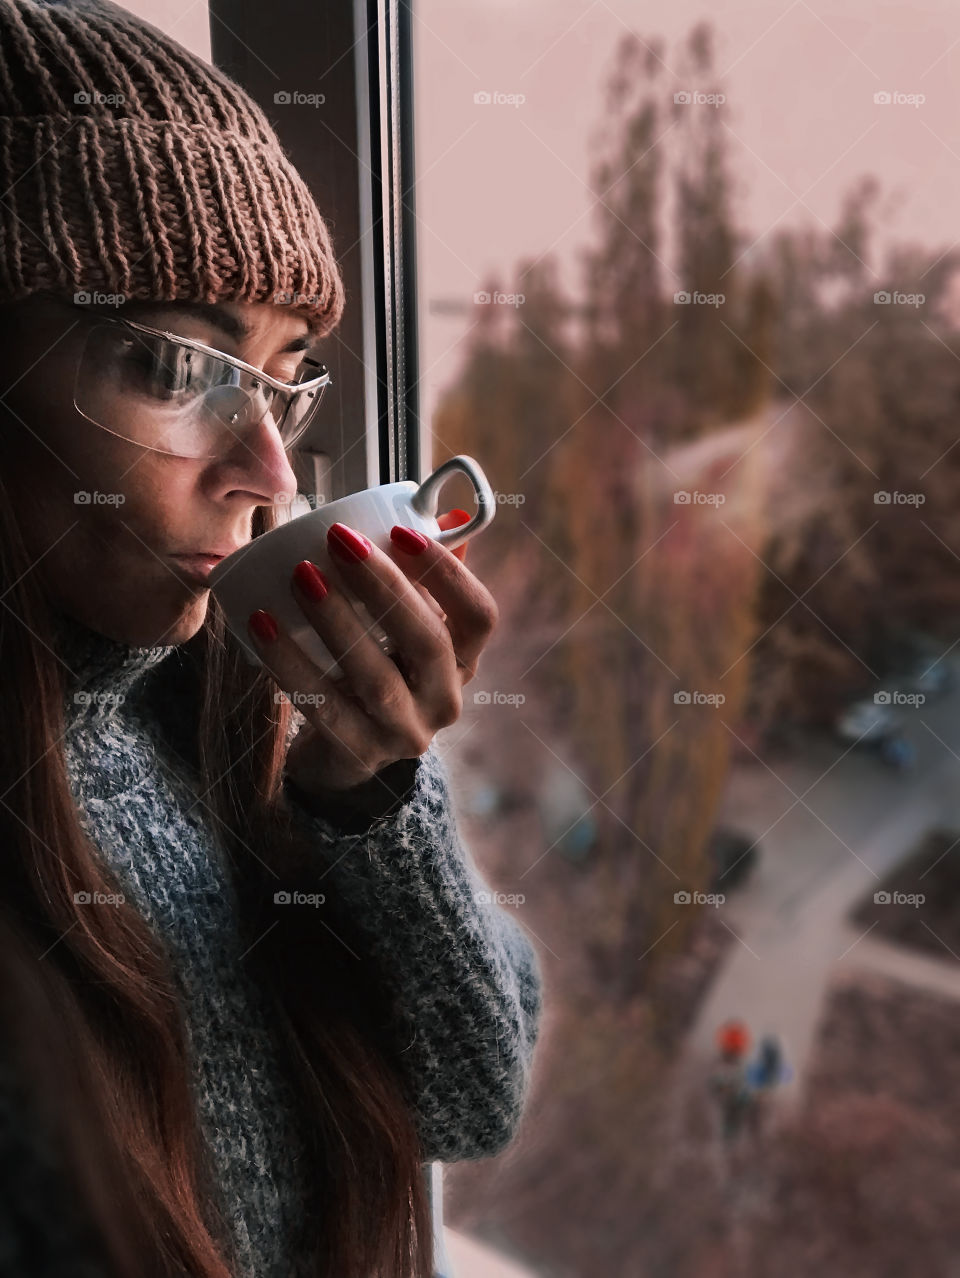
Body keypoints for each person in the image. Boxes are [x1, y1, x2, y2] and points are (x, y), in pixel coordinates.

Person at [0, 3, 544, 1277]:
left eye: (288, 373)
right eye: (176, 368)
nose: (264, 468)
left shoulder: (230, 715)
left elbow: (472, 1098)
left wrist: (369, 794)